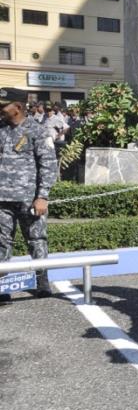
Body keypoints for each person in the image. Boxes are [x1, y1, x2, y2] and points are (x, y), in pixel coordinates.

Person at [0, 88, 57, 302]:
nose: (0, 109)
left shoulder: (37, 130)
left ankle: (42, 283)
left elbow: (48, 165)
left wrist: (42, 196)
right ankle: (2, 287)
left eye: (3, 105)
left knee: (36, 239)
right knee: (1, 243)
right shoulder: (1, 129)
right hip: (2, 200)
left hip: (29, 199)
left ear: (18, 107)